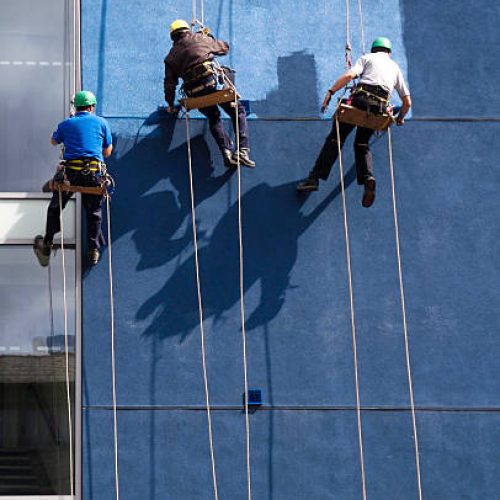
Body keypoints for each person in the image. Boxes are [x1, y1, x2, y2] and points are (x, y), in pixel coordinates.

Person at [297, 37, 412, 207]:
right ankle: (368, 178)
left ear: (375, 49)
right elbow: (407, 102)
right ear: (389, 52)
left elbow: (350, 75)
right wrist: (400, 118)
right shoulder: (395, 68)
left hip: (360, 102)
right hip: (378, 109)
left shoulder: (367, 58)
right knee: (361, 144)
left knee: (335, 139)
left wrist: (330, 92)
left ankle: (314, 178)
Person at [33, 90, 113, 267]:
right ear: (92, 107)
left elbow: (53, 142)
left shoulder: (66, 124)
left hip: (71, 174)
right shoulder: (101, 123)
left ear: (76, 107)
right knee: (94, 212)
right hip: (94, 175)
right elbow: (107, 152)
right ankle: (93, 250)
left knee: (55, 207)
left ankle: (47, 242)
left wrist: (69, 134)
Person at [164, 19, 255, 168]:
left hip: (195, 93)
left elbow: (169, 85)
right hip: (214, 85)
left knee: (213, 117)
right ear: (187, 30)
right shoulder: (199, 38)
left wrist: (170, 104)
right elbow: (224, 48)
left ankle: (226, 150)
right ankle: (243, 151)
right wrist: (209, 36)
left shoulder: (170, 57)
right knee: (237, 111)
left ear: (173, 36)